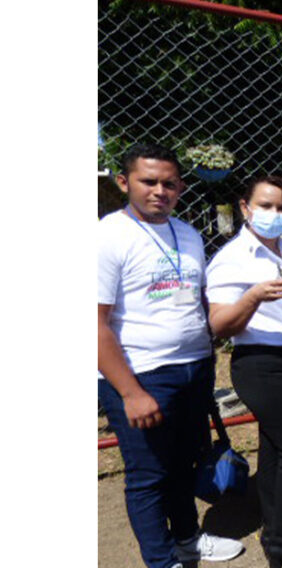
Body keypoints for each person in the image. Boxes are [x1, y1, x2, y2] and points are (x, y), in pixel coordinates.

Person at [98, 143, 243, 568]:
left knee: (184, 463)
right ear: (124, 182)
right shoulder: (107, 236)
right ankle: (162, 561)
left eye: (169, 183)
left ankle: (187, 538)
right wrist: (130, 393)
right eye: (149, 181)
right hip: (142, 374)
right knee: (148, 476)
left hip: (194, 369)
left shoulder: (189, 234)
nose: (160, 190)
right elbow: (93, 322)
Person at [206, 176, 282, 567]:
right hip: (261, 362)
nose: (275, 215)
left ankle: (276, 528)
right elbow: (220, 324)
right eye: (265, 206)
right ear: (245, 207)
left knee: (277, 447)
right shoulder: (233, 258)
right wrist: (254, 295)